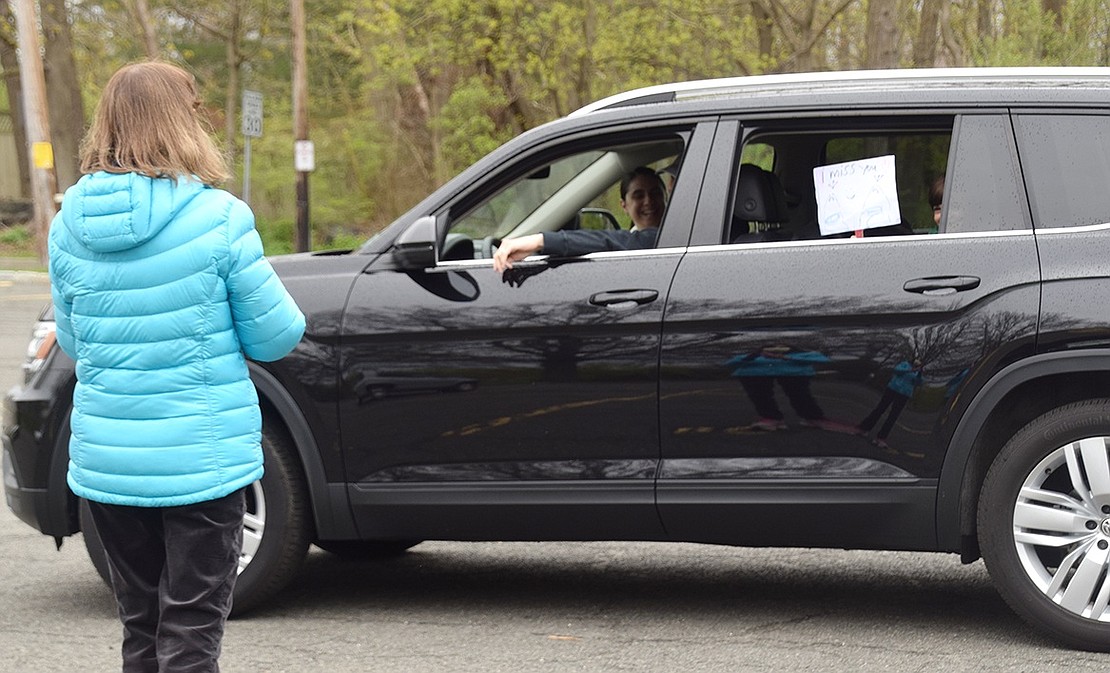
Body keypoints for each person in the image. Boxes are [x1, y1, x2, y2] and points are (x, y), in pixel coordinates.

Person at [48, 61, 306, 673]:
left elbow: (76, 345)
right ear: (184, 123)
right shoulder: (218, 218)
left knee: (141, 628)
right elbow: (278, 336)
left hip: (109, 466)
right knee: (191, 633)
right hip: (202, 462)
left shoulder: (67, 226)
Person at [492, 165, 666, 272]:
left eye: (655, 193)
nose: (648, 201)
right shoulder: (633, 240)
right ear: (624, 206)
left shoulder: (665, 239)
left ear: (666, 197)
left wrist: (540, 241)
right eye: (638, 195)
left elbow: (609, 240)